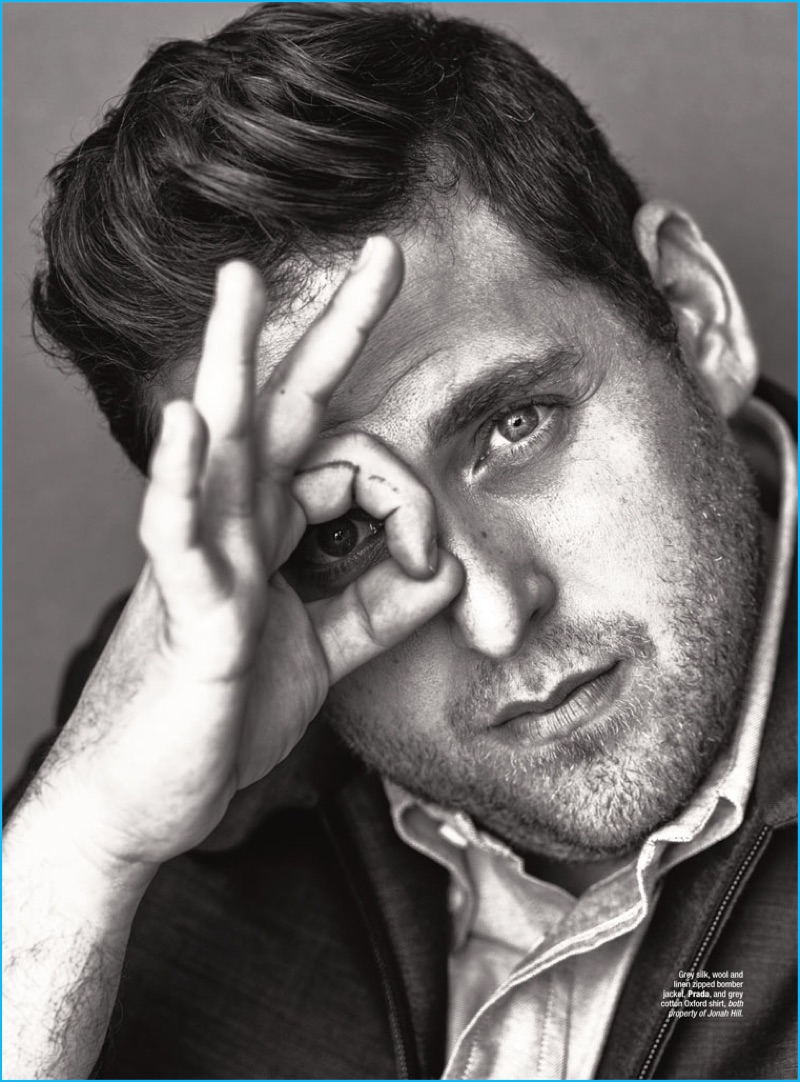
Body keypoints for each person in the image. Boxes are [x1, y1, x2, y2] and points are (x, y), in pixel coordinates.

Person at [3, 4, 796, 1079]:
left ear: (692, 314)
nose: (494, 615)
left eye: (516, 425)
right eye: (339, 530)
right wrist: (88, 839)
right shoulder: (161, 747)